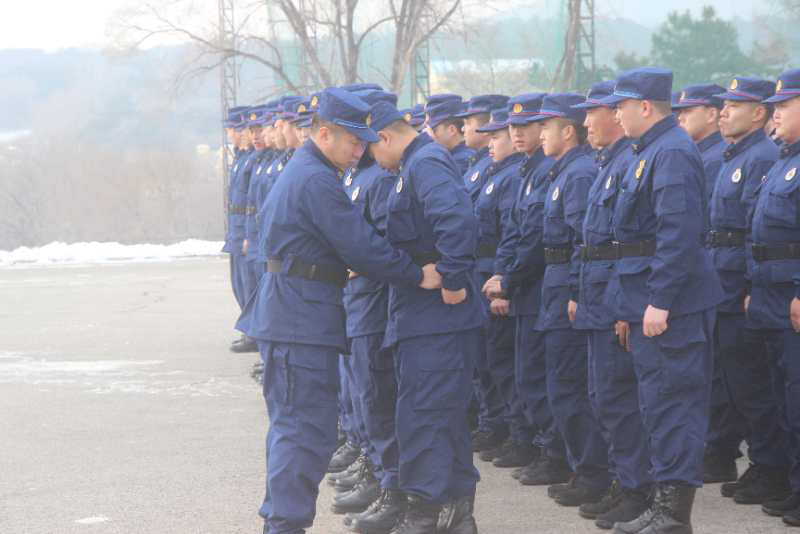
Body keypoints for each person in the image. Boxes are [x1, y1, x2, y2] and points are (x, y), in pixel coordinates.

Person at [236, 87, 442, 534]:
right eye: (353, 141)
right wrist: (414, 272)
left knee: (298, 428)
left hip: (295, 314)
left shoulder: (309, 171)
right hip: (298, 320)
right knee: (303, 431)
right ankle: (285, 525)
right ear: (325, 134)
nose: (360, 150)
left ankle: (283, 521)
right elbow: (358, 244)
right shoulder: (315, 179)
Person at [600, 67, 723, 534]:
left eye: (622, 105)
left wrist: (660, 300)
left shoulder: (670, 152)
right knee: (656, 406)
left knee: (675, 408)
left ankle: (673, 515)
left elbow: (678, 234)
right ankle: (662, 504)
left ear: (645, 107)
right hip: (647, 300)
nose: (615, 113)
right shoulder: (649, 151)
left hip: (674, 306)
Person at [368, 99, 484, 534]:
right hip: (421, 312)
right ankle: (457, 513)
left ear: (384, 137)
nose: (371, 161)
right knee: (438, 412)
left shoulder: (426, 163)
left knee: (425, 413)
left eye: (371, 149)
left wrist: (453, 278)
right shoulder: (412, 166)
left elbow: (457, 221)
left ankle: (426, 510)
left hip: (439, 313)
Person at [571, 80, 653, 528]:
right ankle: (626, 482)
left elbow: (632, 243)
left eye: (596, 112)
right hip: (598, 292)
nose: (586, 123)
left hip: (615, 297)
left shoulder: (628, 163)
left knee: (620, 400)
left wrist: (625, 306)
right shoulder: (609, 163)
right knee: (603, 397)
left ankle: (638, 489)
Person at [524, 92, 611, 507]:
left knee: (570, 387)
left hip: (567, 290)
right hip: (554, 286)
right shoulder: (563, 172)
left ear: (568, 131)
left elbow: (584, 241)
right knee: (561, 385)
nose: (541, 134)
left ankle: (593, 473)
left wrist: (577, 292)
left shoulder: (576, 175)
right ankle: (583, 468)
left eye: (548, 126)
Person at [708, 77, 792, 502]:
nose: (723, 111)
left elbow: (754, 231)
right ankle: (768, 466)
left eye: (733, 105)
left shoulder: (762, 156)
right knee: (750, 386)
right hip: (738, 285)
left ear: (755, 113)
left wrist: (748, 284)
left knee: (765, 388)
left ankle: (776, 470)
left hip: (762, 288)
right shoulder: (751, 157)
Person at [483, 93, 572, 485]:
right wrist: (503, 275)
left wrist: (510, 279)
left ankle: (552, 450)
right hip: (525, 287)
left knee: (540, 375)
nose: (516, 134)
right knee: (526, 373)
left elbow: (537, 238)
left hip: (539, 288)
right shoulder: (525, 171)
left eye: (525, 127)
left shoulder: (546, 171)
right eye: (512, 128)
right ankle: (542, 445)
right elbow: (513, 233)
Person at [748, 68, 800, 527]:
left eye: (785, 105)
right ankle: (789, 482)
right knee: (781, 395)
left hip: (792, 297)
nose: (775, 113)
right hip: (769, 294)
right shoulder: (785, 159)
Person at [469, 106, 525, 460]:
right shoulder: (491, 171)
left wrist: (503, 281)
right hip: (482, 271)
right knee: (486, 358)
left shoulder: (513, 176)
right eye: (488, 136)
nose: (491, 143)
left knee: (503, 361)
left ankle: (514, 430)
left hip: (495, 272)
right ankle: (496, 424)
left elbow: (511, 233)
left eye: (497, 136)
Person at [425, 96, 476, 175]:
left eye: (434, 131)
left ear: (452, 130)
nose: (430, 136)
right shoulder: (451, 155)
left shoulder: (462, 159)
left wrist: (431, 145)